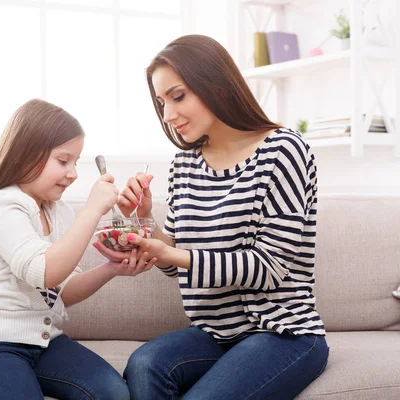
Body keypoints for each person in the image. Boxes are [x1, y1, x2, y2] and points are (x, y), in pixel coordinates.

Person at [96, 35, 329, 399]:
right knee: (144, 364)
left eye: (178, 96)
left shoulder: (283, 150)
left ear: (215, 83)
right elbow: (173, 261)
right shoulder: (184, 165)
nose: (168, 115)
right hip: (215, 334)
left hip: (282, 332)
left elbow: (269, 268)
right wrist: (146, 218)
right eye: (161, 103)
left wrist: (170, 253)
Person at [0, 99, 157, 400]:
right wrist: (92, 211)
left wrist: (112, 269)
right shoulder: (2, 206)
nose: (74, 173)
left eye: (76, 162)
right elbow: (43, 271)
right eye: (63, 161)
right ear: (25, 156)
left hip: (43, 341)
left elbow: (62, 289)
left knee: (114, 394)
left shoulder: (57, 211)